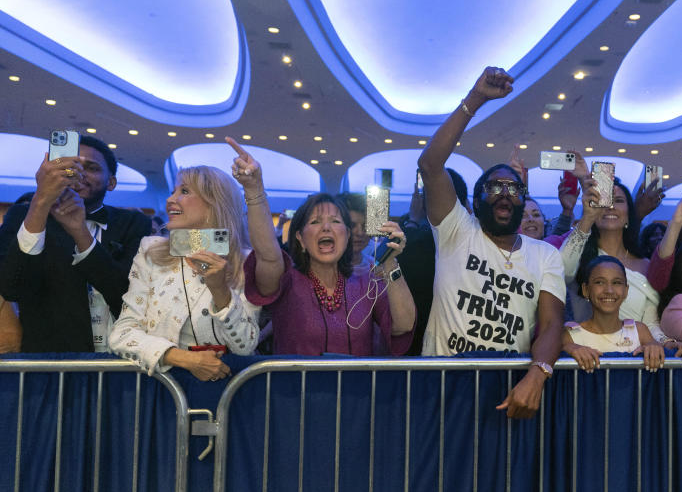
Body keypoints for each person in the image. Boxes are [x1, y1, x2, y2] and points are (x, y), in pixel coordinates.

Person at [418, 66, 566, 419]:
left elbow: (551, 325)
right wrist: (476, 99)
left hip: (510, 387)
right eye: (493, 187)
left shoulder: (545, 255)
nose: (504, 194)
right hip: (442, 386)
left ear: (524, 199)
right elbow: (430, 164)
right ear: (477, 199)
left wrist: (538, 372)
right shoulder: (457, 230)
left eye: (513, 188)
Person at [231, 138, 416, 356]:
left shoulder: (367, 282)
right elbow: (267, 254)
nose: (326, 227)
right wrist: (254, 190)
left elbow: (402, 325)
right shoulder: (286, 280)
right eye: (316, 222)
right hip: (295, 389)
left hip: (356, 389)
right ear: (299, 237)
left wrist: (390, 261)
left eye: (336, 222)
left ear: (346, 235)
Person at [0, 135, 151, 352]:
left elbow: (125, 294)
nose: (79, 174)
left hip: (121, 361)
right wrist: (40, 203)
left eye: (91, 168)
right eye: (71, 166)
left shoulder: (133, 223)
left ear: (111, 182)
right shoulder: (24, 216)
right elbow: (11, 288)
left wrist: (79, 232)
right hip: (49, 364)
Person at [108, 167, 260, 379]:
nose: (171, 199)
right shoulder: (151, 250)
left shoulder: (245, 261)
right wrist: (182, 358)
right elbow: (122, 334)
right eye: (173, 191)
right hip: (163, 387)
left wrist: (220, 291)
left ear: (214, 204)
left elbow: (245, 346)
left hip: (228, 387)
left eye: (185, 191)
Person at [560, 172, 667, 342]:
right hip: (586, 355)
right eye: (604, 201)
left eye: (618, 201)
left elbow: (651, 324)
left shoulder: (646, 265)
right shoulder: (580, 259)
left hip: (635, 359)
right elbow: (562, 270)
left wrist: (667, 343)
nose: (610, 207)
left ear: (628, 215)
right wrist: (588, 217)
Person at [562, 256, 682, 373]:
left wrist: (654, 348)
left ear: (626, 291)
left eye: (616, 282)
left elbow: (655, 348)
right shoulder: (571, 334)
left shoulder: (639, 331)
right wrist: (568, 349)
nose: (609, 290)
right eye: (599, 282)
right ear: (585, 290)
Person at [397, 168, 469, 355]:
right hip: (466, 350)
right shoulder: (476, 242)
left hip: (417, 348)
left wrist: (413, 220)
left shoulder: (414, 245)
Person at [337, 192, 375, 269]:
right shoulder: (323, 269)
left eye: (365, 226)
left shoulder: (376, 268)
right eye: (351, 225)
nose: (360, 233)